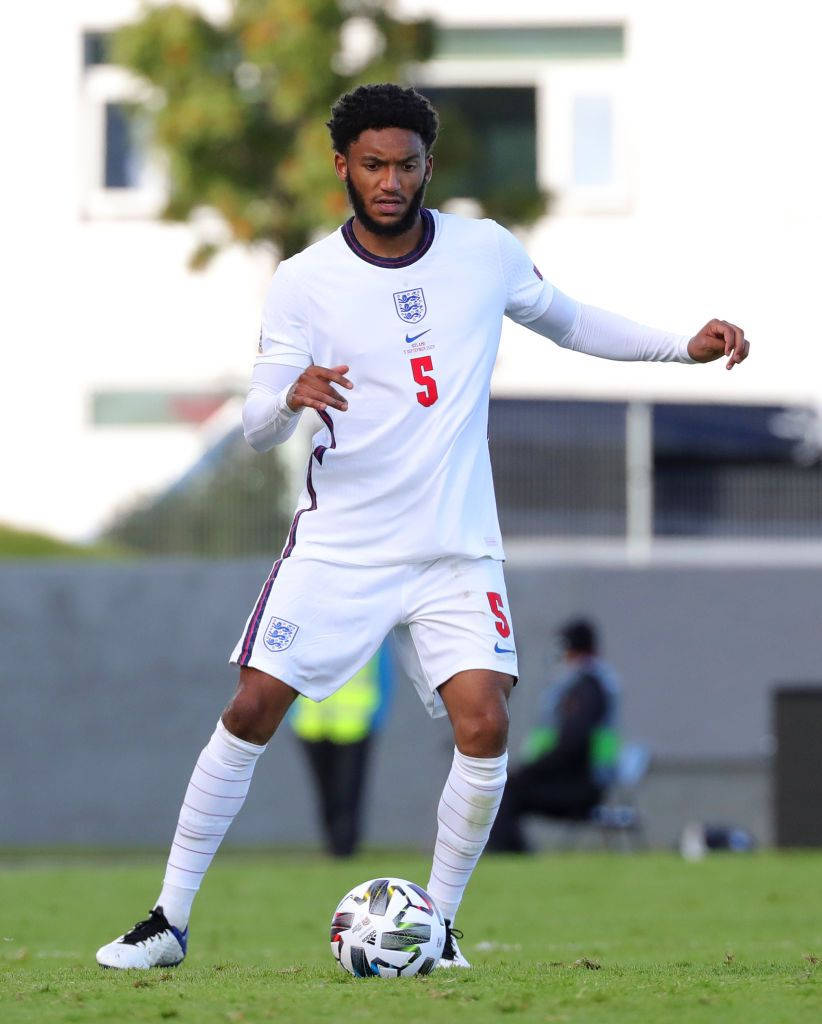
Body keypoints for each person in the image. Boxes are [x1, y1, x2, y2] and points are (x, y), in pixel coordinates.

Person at [96, 82, 749, 971]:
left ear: (427, 166)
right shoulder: (305, 281)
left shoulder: (484, 251)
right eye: (373, 165)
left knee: (484, 726)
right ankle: (167, 922)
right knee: (251, 707)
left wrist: (683, 345)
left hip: (453, 549)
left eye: (407, 164)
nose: (391, 180)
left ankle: (436, 929)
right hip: (342, 548)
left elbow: (571, 321)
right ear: (343, 168)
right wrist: (287, 397)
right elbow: (253, 421)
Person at [488, 618, 620, 853]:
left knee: (507, 788)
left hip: (582, 786)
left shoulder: (587, 688)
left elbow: (572, 744)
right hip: (580, 779)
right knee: (509, 785)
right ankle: (513, 854)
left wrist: (532, 768)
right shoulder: (592, 685)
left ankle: (510, 856)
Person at [289, 645, 392, 857]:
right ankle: (332, 844)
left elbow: (384, 676)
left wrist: (376, 716)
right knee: (324, 789)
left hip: (354, 724)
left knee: (349, 789)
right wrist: (292, 715)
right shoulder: (306, 626)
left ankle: (345, 847)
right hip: (311, 724)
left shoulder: (371, 629)